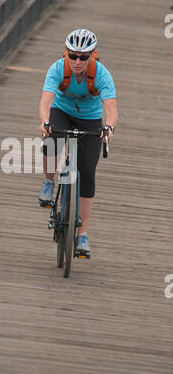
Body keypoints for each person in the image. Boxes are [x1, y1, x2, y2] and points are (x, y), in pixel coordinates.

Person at [38, 28, 118, 257]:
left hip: (91, 118)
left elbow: (112, 111)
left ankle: (82, 235)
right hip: (61, 112)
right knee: (52, 140)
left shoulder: (101, 74)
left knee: (88, 173)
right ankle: (48, 183)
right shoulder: (57, 69)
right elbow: (45, 102)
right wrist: (44, 121)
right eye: (72, 56)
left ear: (92, 56)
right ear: (66, 54)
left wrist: (109, 127)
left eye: (83, 57)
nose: (77, 61)